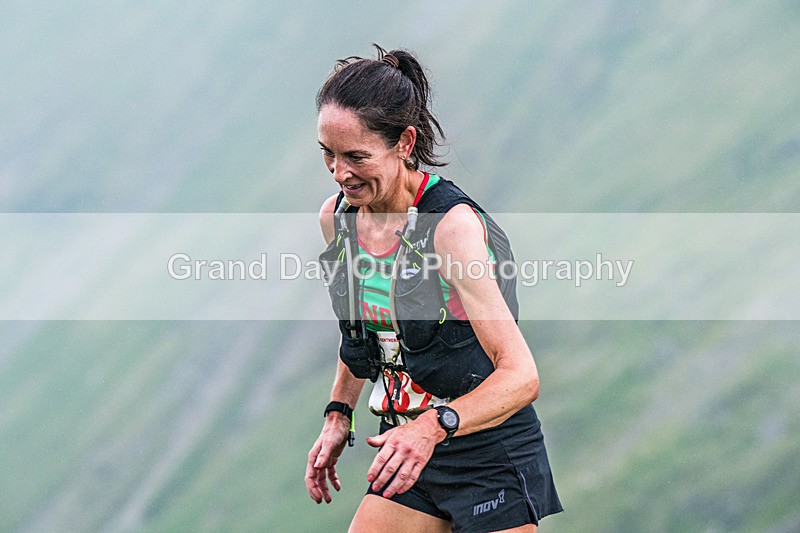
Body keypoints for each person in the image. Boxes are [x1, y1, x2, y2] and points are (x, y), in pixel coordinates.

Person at [305, 45, 562, 533]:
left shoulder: (449, 228)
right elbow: (365, 333)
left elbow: (521, 376)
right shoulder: (338, 219)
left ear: (404, 142)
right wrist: (339, 414)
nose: (340, 174)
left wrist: (433, 426)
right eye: (329, 154)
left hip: (486, 454)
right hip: (407, 448)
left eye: (356, 156)